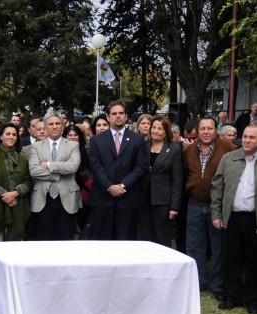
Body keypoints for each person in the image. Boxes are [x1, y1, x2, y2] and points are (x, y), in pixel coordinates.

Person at [211, 124, 257, 314]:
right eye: (245, 136)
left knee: (256, 262)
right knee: (231, 259)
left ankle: (253, 301)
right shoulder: (229, 158)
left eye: (252, 137)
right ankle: (233, 297)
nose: (247, 140)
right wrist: (217, 214)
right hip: (232, 217)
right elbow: (217, 187)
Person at [183, 116, 236, 301]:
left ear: (216, 130)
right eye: (202, 128)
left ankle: (217, 285)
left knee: (218, 248)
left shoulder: (229, 149)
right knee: (194, 247)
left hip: (217, 208)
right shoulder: (188, 150)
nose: (206, 132)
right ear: (198, 131)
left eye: (210, 128)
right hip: (194, 205)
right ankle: (197, 282)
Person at [87, 100, 147, 240]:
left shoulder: (137, 140)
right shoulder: (96, 140)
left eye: (121, 113)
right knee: (102, 244)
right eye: (114, 114)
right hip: (103, 199)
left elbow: (140, 166)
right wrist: (109, 187)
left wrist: (122, 185)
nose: (118, 116)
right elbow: (95, 165)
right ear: (108, 117)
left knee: (125, 244)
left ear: (126, 116)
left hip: (127, 199)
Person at [29, 111, 81, 240]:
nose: (54, 126)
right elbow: (34, 171)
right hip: (42, 198)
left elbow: (74, 166)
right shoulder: (36, 146)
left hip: (67, 198)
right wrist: (60, 171)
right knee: (44, 240)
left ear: (63, 126)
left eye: (58, 123)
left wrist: (48, 164)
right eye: (51, 124)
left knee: (65, 239)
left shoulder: (73, 145)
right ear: (45, 127)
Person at [0, 123, 32, 241]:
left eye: (14, 134)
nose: (11, 137)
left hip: (18, 205)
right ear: (1, 136)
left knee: (15, 246)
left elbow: (28, 180)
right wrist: (5, 194)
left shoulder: (22, 159)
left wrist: (15, 193)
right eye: (7, 134)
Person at [136, 114, 182, 246]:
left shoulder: (174, 149)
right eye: (153, 127)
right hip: (143, 200)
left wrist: (174, 207)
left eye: (160, 128)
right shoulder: (143, 146)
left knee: (161, 238)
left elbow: (177, 180)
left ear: (166, 132)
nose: (155, 131)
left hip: (163, 202)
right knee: (143, 238)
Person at [63, 124, 91, 232]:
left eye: (75, 135)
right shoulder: (61, 150)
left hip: (82, 189)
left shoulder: (86, 149)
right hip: (65, 187)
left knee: (82, 217)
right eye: (70, 135)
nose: (73, 137)